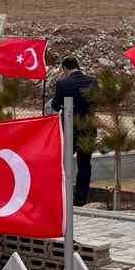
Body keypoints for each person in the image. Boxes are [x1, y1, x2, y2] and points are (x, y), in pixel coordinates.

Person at [50, 56, 97, 206]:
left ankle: (63, 195)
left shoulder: (63, 83)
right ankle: (81, 199)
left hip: (69, 127)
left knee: (63, 162)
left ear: (64, 69)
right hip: (88, 127)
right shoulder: (92, 81)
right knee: (84, 164)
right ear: (78, 66)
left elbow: (56, 106)